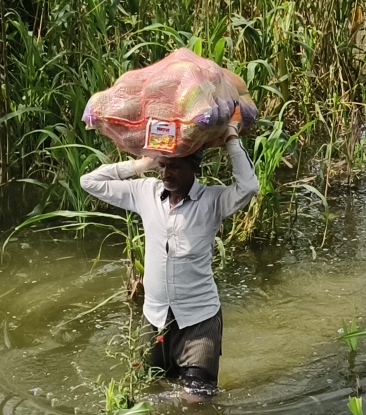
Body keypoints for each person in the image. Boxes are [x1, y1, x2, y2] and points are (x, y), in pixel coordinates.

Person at [79, 123, 259, 396]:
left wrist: (231, 138)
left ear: (194, 168)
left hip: (199, 319)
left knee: (197, 402)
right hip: (154, 317)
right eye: (163, 166)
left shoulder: (212, 201)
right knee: (151, 393)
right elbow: (89, 182)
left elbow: (248, 187)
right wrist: (143, 164)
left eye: (174, 167)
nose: (166, 174)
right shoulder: (145, 193)